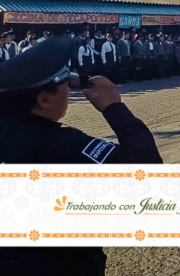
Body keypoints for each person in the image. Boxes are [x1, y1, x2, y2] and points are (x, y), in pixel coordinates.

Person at [0, 36, 163, 276]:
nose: (70, 91)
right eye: (66, 86)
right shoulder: (64, 145)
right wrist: (114, 107)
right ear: (44, 99)